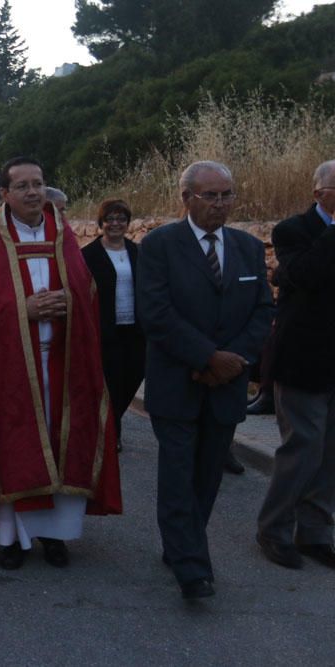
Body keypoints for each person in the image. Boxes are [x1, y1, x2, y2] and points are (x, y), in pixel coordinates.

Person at [0, 157, 122, 573]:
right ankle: (9, 539)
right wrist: (22, 309)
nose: (33, 192)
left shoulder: (63, 236)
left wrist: (71, 302)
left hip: (64, 361)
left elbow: (87, 292)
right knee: (15, 448)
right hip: (11, 367)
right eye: (23, 186)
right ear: (5, 194)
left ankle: (55, 536)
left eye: (39, 183)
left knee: (63, 444)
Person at [137, 160, 273, 599]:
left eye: (227, 195)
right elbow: (156, 314)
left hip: (227, 383)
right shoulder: (160, 245)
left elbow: (263, 312)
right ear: (186, 198)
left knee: (207, 475)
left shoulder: (248, 249)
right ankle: (193, 568)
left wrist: (233, 361)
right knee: (178, 472)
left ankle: (180, 543)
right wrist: (206, 356)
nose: (220, 204)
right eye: (210, 196)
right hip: (178, 379)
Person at [256, 159, 335, 570]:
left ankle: (316, 533)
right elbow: (305, 274)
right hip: (304, 359)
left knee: (330, 455)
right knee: (301, 452)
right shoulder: (293, 231)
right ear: (318, 192)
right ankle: (273, 530)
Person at [80, 199, 145, 450]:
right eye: (110, 219)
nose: (115, 224)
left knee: (134, 377)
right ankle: (111, 431)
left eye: (121, 219)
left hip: (136, 329)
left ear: (128, 223)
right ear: (101, 223)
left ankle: (111, 420)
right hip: (105, 329)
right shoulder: (88, 255)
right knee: (110, 381)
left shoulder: (138, 252)